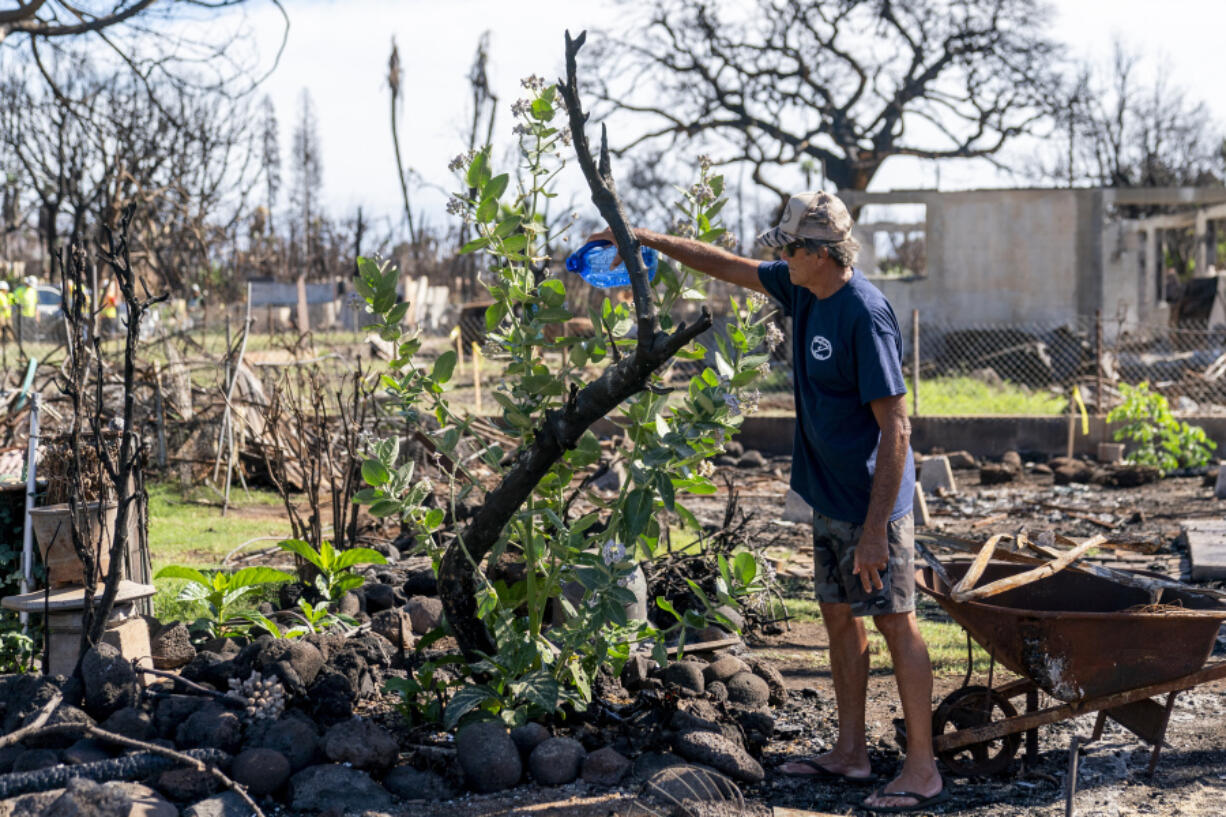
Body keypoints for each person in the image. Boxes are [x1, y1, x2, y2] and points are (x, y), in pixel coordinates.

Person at [589, 192, 944, 813]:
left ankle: (922, 769)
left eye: (786, 247)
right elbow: (725, 264)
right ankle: (851, 753)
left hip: (872, 506)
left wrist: (875, 532)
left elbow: (898, 429)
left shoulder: (865, 314)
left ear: (817, 252)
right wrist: (643, 236)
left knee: (894, 621)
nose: (777, 257)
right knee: (839, 617)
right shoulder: (803, 288)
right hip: (828, 495)